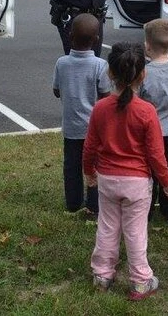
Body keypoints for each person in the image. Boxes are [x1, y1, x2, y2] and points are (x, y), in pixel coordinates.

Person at [83, 42, 168, 301]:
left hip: (107, 180)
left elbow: (90, 145)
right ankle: (140, 280)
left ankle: (102, 274)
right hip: (137, 183)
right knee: (136, 232)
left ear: (110, 74)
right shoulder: (147, 112)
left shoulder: (100, 108)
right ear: (143, 74)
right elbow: (156, 156)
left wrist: (88, 172)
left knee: (107, 227)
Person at [53, 14, 112, 215]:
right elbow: (105, 95)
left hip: (71, 127)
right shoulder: (99, 65)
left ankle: (73, 202)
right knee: (95, 165)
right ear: (96, 40)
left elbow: (56, 90)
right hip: (94, 129)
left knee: (71, 166)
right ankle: (94, 205)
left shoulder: (62, 63)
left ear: (70, 36)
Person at [139, 19, 168, 223]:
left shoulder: (145, 73)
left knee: (148, 171)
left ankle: (146, 209)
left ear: (147, 46)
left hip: (149, 131)